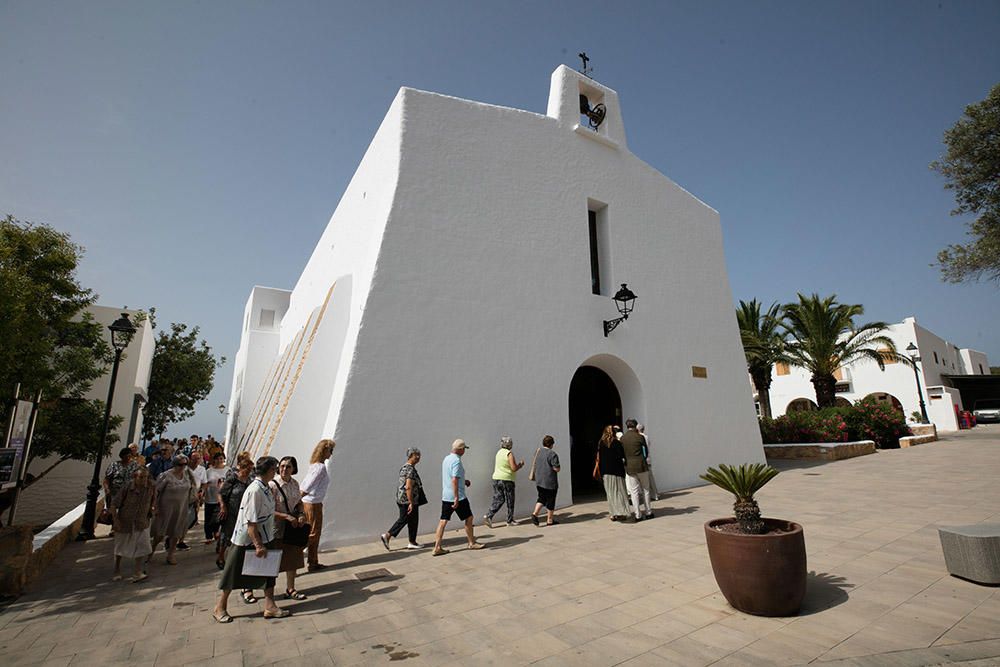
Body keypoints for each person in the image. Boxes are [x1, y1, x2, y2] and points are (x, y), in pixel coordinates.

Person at [212, 456, 289, 623]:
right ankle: (220, 607)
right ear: (269, 471)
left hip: (265, 534)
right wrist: (258, 545)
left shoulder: (265, 487)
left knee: (269, 573)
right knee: (233, 573)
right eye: (274, 468)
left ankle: (270, 606)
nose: (276, 471)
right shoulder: (254, 490)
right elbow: (251, 521)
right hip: (247, 539)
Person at [432, 439, 484, 556]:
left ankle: (437, 547)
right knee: (469, 518)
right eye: (464, 449)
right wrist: (456, 497)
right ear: (460, 450)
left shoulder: (446, 459)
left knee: (443, 521)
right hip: (458, 497)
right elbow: (454, 479)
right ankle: (471, 543)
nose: (464, 451)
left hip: (446, 495)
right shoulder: (456, 461)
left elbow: (452, 477)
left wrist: (464, 481)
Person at [108, 466, 155, 582]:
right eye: (141, 477)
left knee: (142, 546)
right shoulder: (128, 487)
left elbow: (153, 500)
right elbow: (114, 504)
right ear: (135, 477)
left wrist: (152, 510)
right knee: (120, 547)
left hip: (141, 521)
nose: (144, 480)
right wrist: (116, 521)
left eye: (145, 477)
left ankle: (137, 572)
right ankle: (117, 569)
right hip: (125, 521)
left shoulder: (150, 487)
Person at [270, 456, 308, 600]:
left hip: (291, 528)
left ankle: (291, 588)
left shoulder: (294, 484)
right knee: (272, 560)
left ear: (294, 469)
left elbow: (299, 502)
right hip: (276, 528)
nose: (284, 469)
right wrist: (285, 517)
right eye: (282, 466)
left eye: (288, 467)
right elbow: (268, 509)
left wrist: (301, 513)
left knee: (292, 558)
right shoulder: (272, 485)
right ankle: (265, 591)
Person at [150, 454, 198, 564]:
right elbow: (156, 491)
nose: (183, 467)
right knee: (160, 533)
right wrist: (155, 506)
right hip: (166, 508)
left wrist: (195, 502)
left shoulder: (187, 475)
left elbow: (192, 488)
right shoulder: (166, 475)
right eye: (180, 464)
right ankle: (151, 551)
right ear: (175, 464)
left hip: (181, 507)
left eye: (185, 464)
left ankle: (171, 554)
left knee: (176, 532)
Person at [380, 447, 425, 551]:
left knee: (413, 520)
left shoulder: (404, 467)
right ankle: (387, 535)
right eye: (416, 455)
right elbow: (408, 486)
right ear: (410, 456)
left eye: (419, 455)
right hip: (407, 500)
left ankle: (412, 542)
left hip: (402, 499)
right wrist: (411, 502)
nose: (418, 457)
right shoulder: (410, 469)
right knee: (404, 519)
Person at [300, 439, 335, 571]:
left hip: (311, 503)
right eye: (330, 450)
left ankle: (313, 561)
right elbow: (308, 485)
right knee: (313, 534)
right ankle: (300, 558)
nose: (331, 454)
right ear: (324, 450)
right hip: (313, 504)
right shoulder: (320, 467)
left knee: (313, 534)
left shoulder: (314, 465)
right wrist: (297, 499)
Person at [218, 456, 253, 571]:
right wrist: (223, 507)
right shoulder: (233, 479)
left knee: (240, 535)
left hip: (243, 512)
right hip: (231, 511)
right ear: (242, 468)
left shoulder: (249, 481)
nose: (249, 471)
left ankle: (236, 558)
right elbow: (221, 493)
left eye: (251, 469)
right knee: (227, 534)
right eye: (247, 469)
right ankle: (221, 556)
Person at [484, 436, 524, 528]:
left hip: (496, 478)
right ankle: (509, 521)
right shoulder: (509, 454)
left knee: (499, 499)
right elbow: (513, 468)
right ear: (509, 444)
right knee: (510, 500)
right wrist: (520, 465)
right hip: (507, 480)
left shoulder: (498, 453)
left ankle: (488, 516)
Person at [621, 419, 653, 521]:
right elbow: (646, 452)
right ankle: (648, 512)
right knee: (646, 489)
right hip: (641, 465)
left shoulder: (623, 438)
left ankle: (637, 514)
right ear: (635, 426)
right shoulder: (640, 437)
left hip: (630, 467)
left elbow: (622, 453)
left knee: (634, 491)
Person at [597, 425, 630, 521]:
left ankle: (612, 513)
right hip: (617, 471)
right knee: (620, 492)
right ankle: (621, 512)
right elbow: (622, 456)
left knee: (610, 493)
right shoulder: (617, 443)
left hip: (606, 472)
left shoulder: (601, 443)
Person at [529, 435, 560, 526]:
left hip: (539, 481)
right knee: (551, 500)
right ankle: (550, 520)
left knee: (541, 498)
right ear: (551, 444)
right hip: (550, 482)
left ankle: (535, 514)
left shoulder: (538, 451)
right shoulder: (552, 454)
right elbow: (556, 468)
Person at [204, 452, 227, 545]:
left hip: (223, 498)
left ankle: (217, 533)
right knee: (209, 518)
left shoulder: (227, 470)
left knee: (219, 518)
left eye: (221, 458)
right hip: (210, 497)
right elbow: (204, 483)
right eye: (217, 459)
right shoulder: (209, 471)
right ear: (214, 460)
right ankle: (209, 536)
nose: (219, 460)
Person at [637, 423, 659, 500]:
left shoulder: (640, 437)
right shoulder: (646, 436)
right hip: (648, 460)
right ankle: (655, 494)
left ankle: (649, 495)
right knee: (650, 478)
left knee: (644, 479)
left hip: (644, 460)